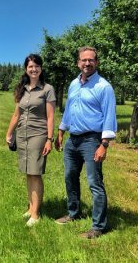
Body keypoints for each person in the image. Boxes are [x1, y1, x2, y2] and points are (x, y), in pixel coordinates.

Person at [54, 46, 117, 239]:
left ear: (96, 63)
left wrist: (104, 144)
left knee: (94, 182)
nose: (87, 63)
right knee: (70, 177)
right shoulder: (73, 84)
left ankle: (98, 226)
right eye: (84, 60)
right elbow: (69, 110)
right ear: (78, 63)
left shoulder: (103, 87)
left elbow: (109, 116)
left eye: (91, 60)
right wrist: (61, 130)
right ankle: (74, 213)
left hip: (92, 140)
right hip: (73, 140)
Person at [6, 54, 56, 227]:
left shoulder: (47, 89)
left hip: (38, 134)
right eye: (30, 67)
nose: (33, 69)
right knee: (28, 172)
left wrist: (49, 139)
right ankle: (31, 206)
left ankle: (35, 214)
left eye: (36, 66)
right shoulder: (23, 89)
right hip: (22, 135)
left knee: (35, 173)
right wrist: (9, 133)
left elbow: (50, 116)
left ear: (41, 68)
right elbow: (16, 114)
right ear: (26, 69)